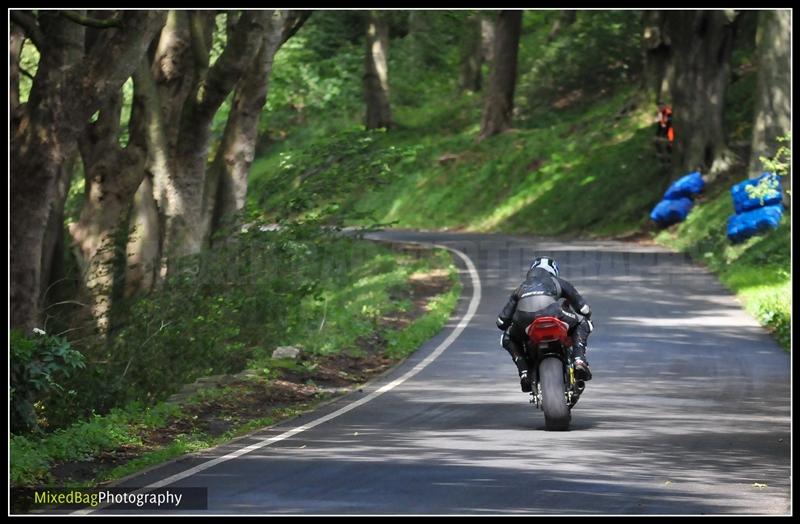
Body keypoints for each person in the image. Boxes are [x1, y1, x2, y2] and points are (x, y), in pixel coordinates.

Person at [496, 256, 594, 392]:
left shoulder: (520, 288)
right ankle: (579, 360)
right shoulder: (557, 281)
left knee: (506, 338)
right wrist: (587, 315)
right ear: (553, 271)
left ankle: (524, 372)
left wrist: (513, 323)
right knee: (583, 323)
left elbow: (501, 321)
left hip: (524, 321)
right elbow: (583, 308)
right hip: (554, 313)